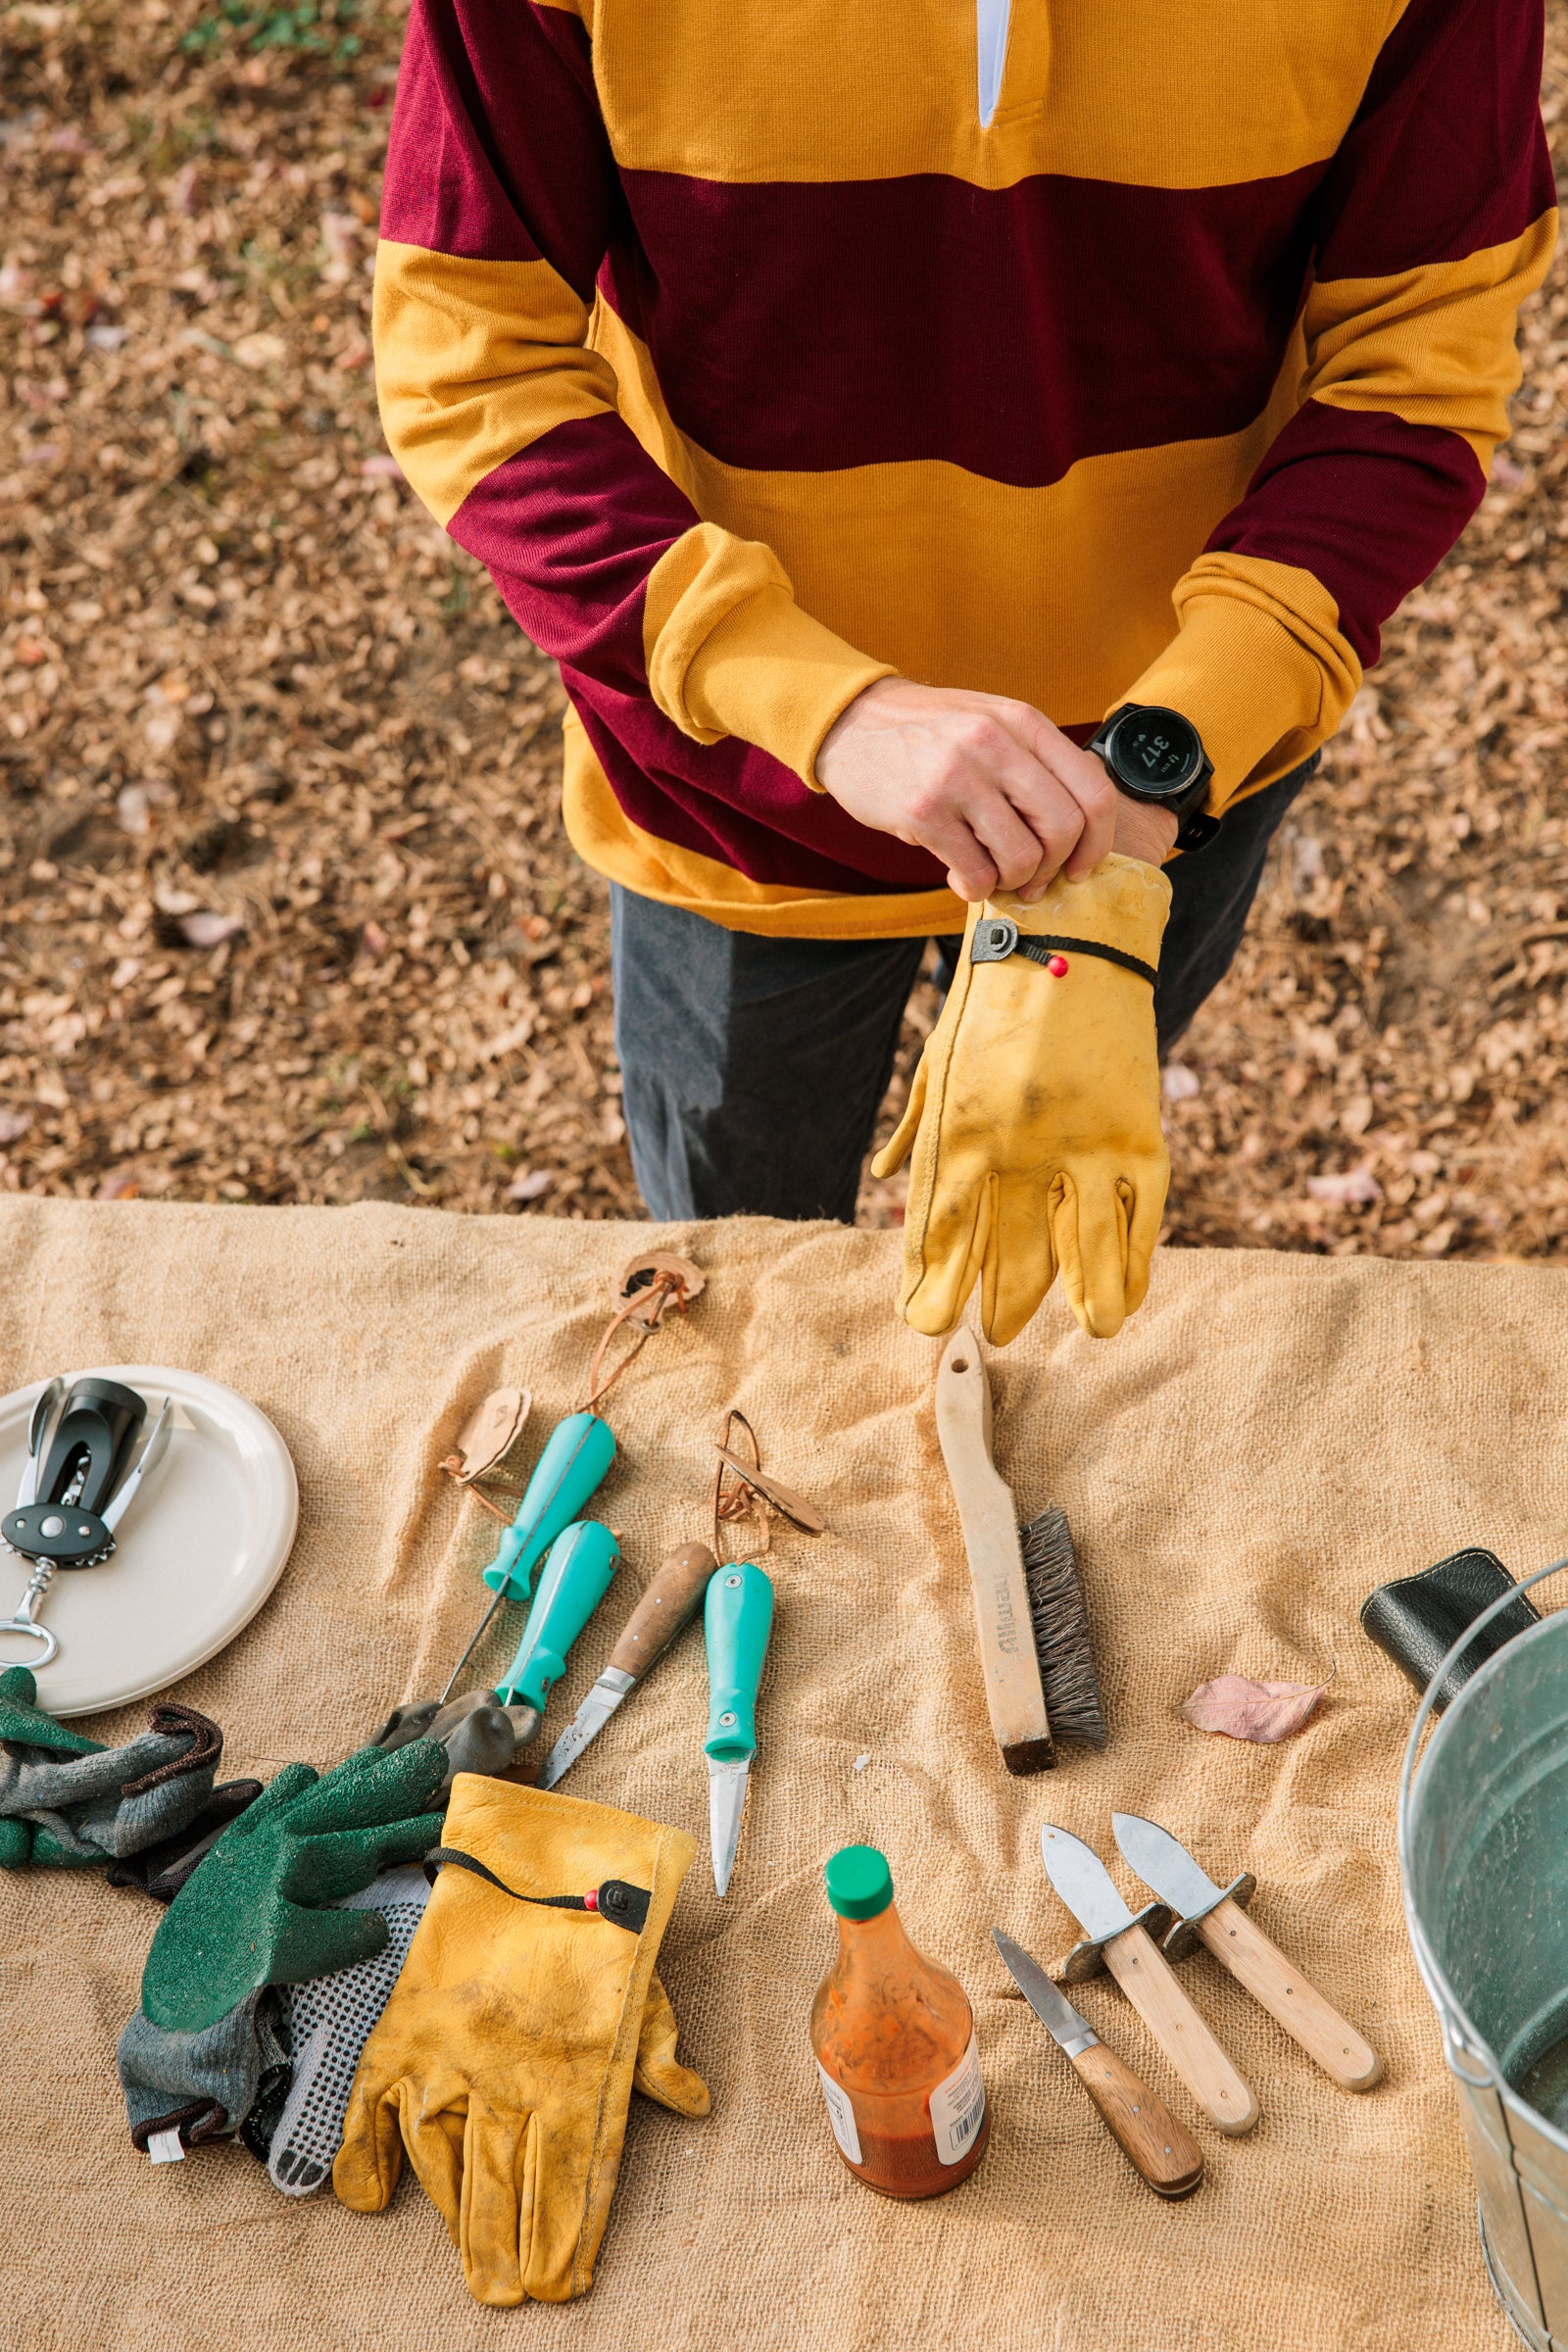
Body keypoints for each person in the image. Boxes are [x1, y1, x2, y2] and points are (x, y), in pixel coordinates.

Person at [372, 0, 1555, 1342]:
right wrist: (817, 704)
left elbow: (1416, 366)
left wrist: (1139, 795)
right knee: (738, 1296)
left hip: (1164, 783)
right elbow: (472, 358)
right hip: (740, 801)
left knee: (1024, 1289)